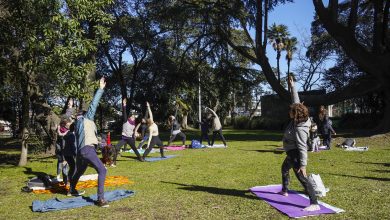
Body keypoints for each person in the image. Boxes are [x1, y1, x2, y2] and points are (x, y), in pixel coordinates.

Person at [279, 76, 320, 212]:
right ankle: (285, 190)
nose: (289, 112)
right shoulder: (297, 118)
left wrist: (303, 165)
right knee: (284, 169)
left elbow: (303, 147)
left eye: (291, 111)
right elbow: (296, 102)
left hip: (296, 155)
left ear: (296, 114)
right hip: (291, 154)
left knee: (302, 178)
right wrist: (293, 86)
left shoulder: (300, 128)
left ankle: (314, 203)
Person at [68, 77, 109, 208]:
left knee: (79, 171)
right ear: (84, 114)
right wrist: (101, 89)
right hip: (87, 150)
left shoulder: (77, 124)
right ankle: (100, 199)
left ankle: (71, 190)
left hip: (81, 152)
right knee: (102, 170)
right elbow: (94, 105)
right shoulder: (87, 118)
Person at [113, 98, 143, 165]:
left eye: (133, 117)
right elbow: (124, 113)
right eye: (132, 116)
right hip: (124, 138)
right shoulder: (126, 120)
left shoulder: (134, 124)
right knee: (117, 148)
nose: (132, 117)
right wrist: (124, 105)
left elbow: (135, 129)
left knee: (134, 149)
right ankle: (114, 161)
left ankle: (140, 158)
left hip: (130, 139)